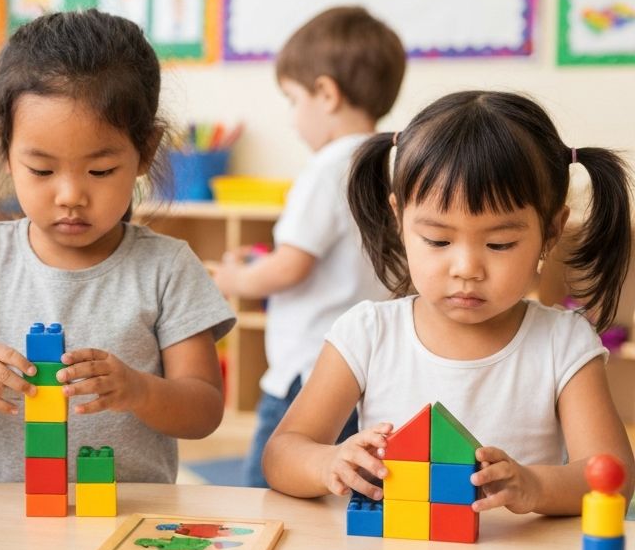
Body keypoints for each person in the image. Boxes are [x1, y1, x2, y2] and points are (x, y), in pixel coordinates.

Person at [263, 90, 635, 515]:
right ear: (399, 219)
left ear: (551, 232)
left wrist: (535, 486)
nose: (466, 268)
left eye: (500, 244)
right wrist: (327, 462)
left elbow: (615, 476)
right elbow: (281, 455)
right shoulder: (367, 333)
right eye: (438, 240)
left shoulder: (562, 342)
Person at [0, 9, 234, 485]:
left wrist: (139, 390)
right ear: (3, 146)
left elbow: (203, 410)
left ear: (146, 150)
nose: (70, 196)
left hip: (125, 514)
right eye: (42, 170)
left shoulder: (167, 268)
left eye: (100, 171)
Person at [213, 6, 404, 487]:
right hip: (366, 368)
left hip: (308, 371)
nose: (293, 120)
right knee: (347, 483)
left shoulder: (327, 168)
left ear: (326, 94)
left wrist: (236, 278)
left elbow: (290, 268)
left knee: (271, 486)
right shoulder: (389, 163)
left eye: (293, 100)